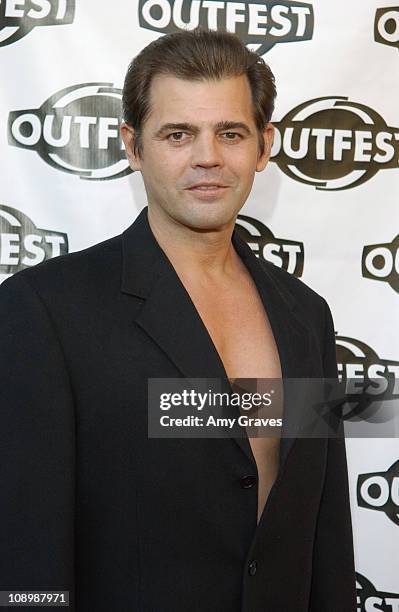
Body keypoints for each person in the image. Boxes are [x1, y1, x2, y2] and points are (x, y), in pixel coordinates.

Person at [0, 28, 356, 611]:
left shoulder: (305, 314)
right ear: (133, 146)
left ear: (263, 147)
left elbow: (324, 528)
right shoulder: (45, 309)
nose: (208, 156)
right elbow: (23, 541)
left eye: (231, 133)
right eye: (178, 134)